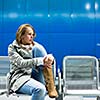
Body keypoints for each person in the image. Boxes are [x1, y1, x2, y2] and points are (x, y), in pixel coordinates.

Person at [8, 24, 58, 100]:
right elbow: (21, 63)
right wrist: (41, 60)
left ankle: (51, 84)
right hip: (20, 78)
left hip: (36, 75)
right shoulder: (12, 48)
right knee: (40, 89)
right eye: (29, 34)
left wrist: (50, 59)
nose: (32, 36)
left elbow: (44, 60)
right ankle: (50, 86)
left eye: (33, 34)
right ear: (21, 35)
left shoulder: (35, 46)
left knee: (38, 48)